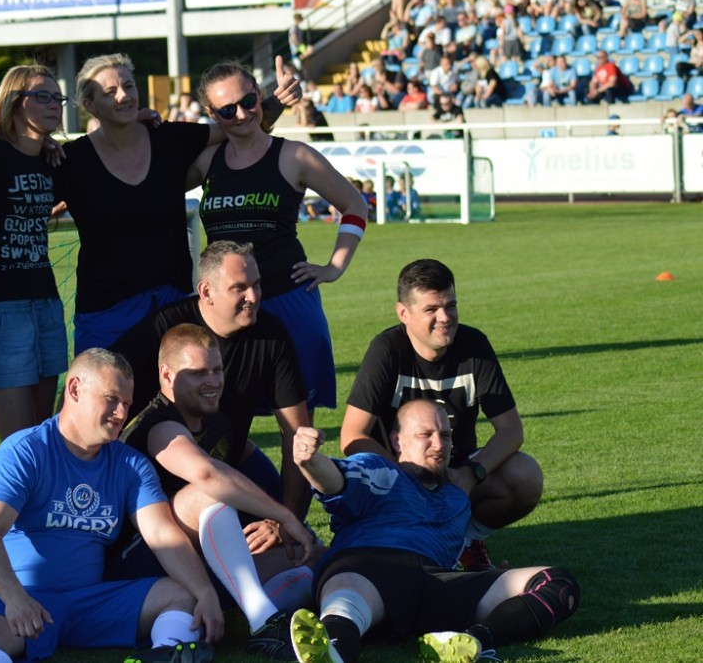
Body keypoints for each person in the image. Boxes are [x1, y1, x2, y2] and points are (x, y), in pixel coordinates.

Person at [0, 349, 224, 663]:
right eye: (111, 399)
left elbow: (163, 535)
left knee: (179, 595)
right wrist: (14, 597)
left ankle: (165, 653)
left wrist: (204, 592)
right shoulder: (25, 451)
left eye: (127, 404)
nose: (121, 413)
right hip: (10, 596)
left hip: (86, 601)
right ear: (74, 389)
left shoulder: (130, 465)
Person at [288, 400, 580, 663]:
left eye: (445, 435)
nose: (438, 444)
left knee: (558, 583)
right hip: (370, 568)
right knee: (349, 591)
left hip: (433, 583)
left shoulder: (458, 498)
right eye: (425, 435)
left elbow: (464, 548)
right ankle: (333, 647)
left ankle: (472, 642)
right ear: (397, 440)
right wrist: (311, 461)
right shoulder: (382, 471)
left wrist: (486, 575)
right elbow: (336, 481)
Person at [54, 53, 300, 355]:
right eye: (110, 92)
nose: (124, 96)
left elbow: (237, 124)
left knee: (183, 385)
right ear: (89, 105)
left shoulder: (168, 138)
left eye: (129, 86)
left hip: (174, 304)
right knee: (102, 386)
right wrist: (41, 141)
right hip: (106, 312)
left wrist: (278, 100)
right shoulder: (71, 160)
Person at [116, 324, 317, 660]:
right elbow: (207, 474)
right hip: (137, 559)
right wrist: (284, 514)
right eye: (198, 373)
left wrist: (275, 524)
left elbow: (246, 469)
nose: (212, 381)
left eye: (217, 370)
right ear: (167, 375)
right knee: (208, 493)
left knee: (311, 555)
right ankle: (264, 621)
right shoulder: (159, 425)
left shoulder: (216, 423)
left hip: (194, 562)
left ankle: (233, 619)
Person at [340, 259, 543, 571]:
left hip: (456, 474)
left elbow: (511, 430)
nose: (445, 317)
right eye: (431, 309)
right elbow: (352, 436)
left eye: (451, 305)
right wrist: (403, 478)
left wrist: (471, 473)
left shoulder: (473, 345)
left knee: (525, 475)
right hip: (398, 478)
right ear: (403, 313)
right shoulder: (387, 350)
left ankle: (466, 541)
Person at [189, 61, 368, 416]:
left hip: (288, 299)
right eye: (227, 110)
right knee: (221, 423)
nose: (242, 114)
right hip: (225, 310)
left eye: (248, 101)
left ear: (260, 95)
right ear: (212, 114)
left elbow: (355, 205)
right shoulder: (207, 161)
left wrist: (334, 267)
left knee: (297, 428)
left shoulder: (295, 156)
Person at [110, 241, 313, 548]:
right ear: (206, 292)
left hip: (228, 459)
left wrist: (286, 521)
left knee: (305, 549)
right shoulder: (166, 329)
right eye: (239, 288)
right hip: (173, 489)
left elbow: (295, 435)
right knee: (213, 500)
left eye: (257, 284)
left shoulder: (271, 335)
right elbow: (99, 380)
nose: (253, 296)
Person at [0, 64, 69, 440]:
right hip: (0, 310)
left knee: (44, 437)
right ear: (13, 101)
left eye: (57, 97)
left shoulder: (52, 160)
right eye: (42, 96)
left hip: (47, 305)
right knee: (19, 444)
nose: (54, 104)